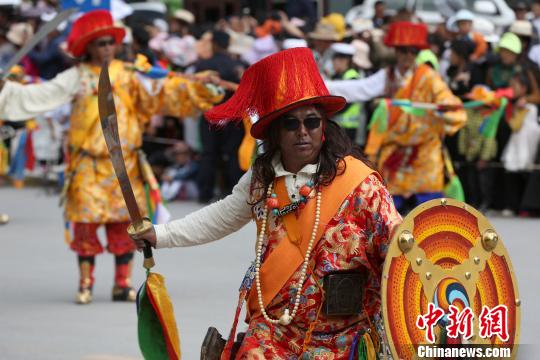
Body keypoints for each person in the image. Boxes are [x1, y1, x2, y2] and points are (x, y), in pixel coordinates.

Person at [130, 47, 402, 359]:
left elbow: (397, 242)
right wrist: (160, 235)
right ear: (274, 131)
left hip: (345, 333)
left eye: (312, 122)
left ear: (324, 127)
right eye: (290, 123)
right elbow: (222, 216)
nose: (303, 132)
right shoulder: (261, 180)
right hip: (276, 327)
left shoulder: (360, 182)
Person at [0, 10, 220, 305]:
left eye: (110, 42)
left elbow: (163, 92)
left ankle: (122, 283)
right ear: (88, 47)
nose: (105, 47)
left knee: (125, 227)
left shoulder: (130, 74)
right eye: (99, 43)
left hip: (123, 166)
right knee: (85, 227)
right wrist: (9, 91)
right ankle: (86, 283)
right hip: (87, 165)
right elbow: (42, 95)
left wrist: (200, 86)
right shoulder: (76, 77)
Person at [326, 21, 466, 214]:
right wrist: (324, 86)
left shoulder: (429, 77)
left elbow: (453, 108)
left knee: (429, 213)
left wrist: (443, 111)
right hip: (396, 155)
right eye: (403, 51)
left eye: (412, 51)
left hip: (424, 155)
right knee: (388, 212)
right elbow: (360, 88)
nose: (407, 56)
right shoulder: (388, 76)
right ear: (396, 52)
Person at [192, 30, 245, 203]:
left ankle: (204, 193)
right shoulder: (237, 66)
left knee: (208, 154)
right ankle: (234, 196)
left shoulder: (202, 66)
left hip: (210, 114)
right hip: (233, 115)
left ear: (213, 44)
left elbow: (195, 91)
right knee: (232, 154)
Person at [501, 72, 540, 216]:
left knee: (527, 173)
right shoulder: (514, 103)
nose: (511, 88)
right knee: (512, 173)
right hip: (517, 141)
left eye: (514, 86)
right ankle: (513, 205)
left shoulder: (529, 104)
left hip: (528, 142)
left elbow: (515, 125)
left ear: (524, 87)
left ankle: (526, 207)